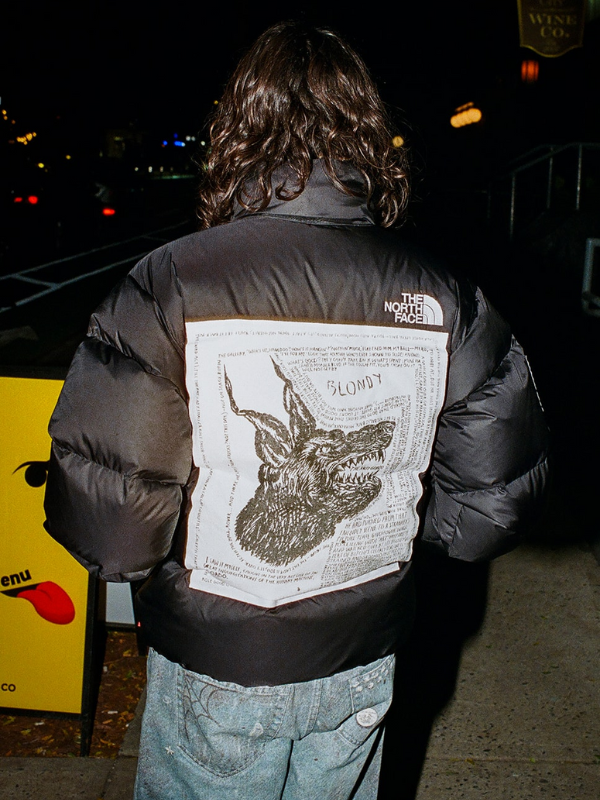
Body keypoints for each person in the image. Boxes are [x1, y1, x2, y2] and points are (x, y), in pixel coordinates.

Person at [43, 20, 550, 800]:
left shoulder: (171, 283)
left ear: (235, 135)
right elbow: (489, 509)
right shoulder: (443, 292)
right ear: (369, 139)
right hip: (362, 656)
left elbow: (113, 534)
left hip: (217, 660)